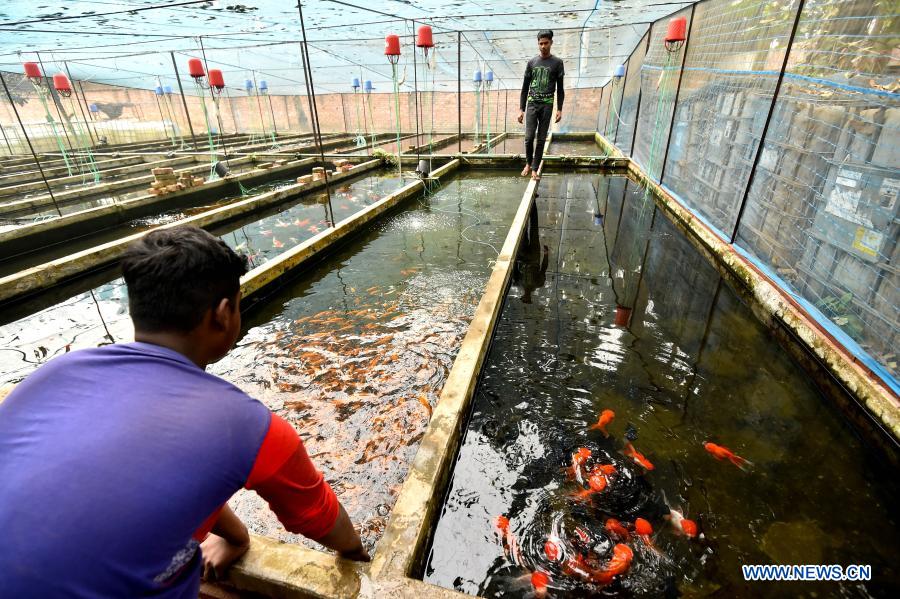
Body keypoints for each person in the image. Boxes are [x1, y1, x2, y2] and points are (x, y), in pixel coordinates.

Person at [0, 226, 368, 598]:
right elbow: (319, 518)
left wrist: (237, 537)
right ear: (224, 314)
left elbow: (142, 473)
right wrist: (357, 556)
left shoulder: (58, 371)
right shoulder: (248, 425)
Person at [518, 30, 565, 180]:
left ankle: (534, 169)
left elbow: (560, 88)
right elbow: (525, 88)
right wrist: (521, 109)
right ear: (538, 44)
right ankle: (528, 163)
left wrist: (559, 109)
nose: (543, 46)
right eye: (540, 43)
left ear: (551, 43)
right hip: (532, 104)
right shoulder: (532, 63)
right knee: (529, 137)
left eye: (546, 43)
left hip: (547, 105)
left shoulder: (557, 63)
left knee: (541, 138)